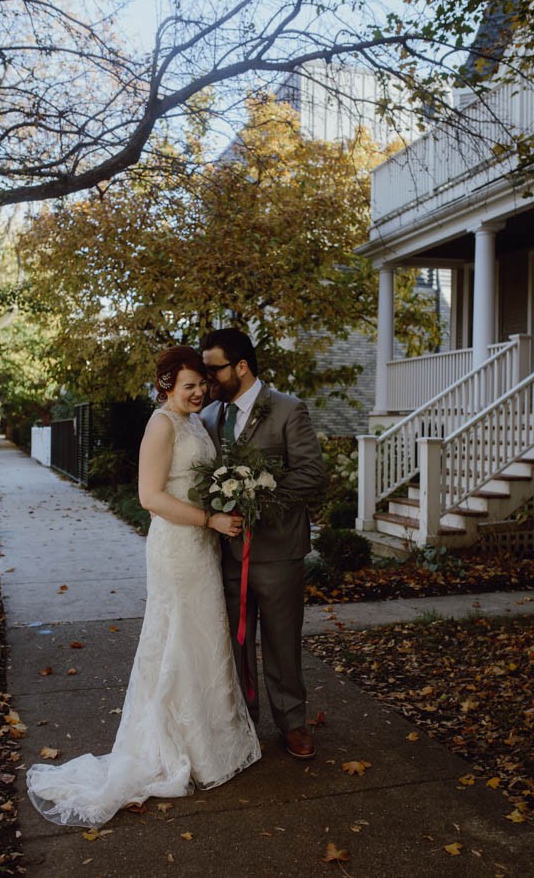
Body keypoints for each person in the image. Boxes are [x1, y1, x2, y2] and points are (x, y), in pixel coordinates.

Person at [26, 346, 261, 828]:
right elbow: (150, 497)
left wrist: (225, 504)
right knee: (177, 638)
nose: (198, 392)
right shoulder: (162, 424)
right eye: (188, 385)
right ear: (166, 386)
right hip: (176, 546)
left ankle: (210, 743)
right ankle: (174, 746)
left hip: (201, 544)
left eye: (202, 384)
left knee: (201, 637)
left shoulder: (197, 422)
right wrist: (210, 517)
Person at [200, 328, 327, 760]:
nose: (208, 378)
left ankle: (292, 723)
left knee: (282, 641)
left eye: (214, 368)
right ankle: (243, 724)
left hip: (278, 552)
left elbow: (311, 475)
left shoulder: (289, 410)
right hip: (226, 554)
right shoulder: (210, 417)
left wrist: (256, 498)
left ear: (240, 366)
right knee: (233, 645)